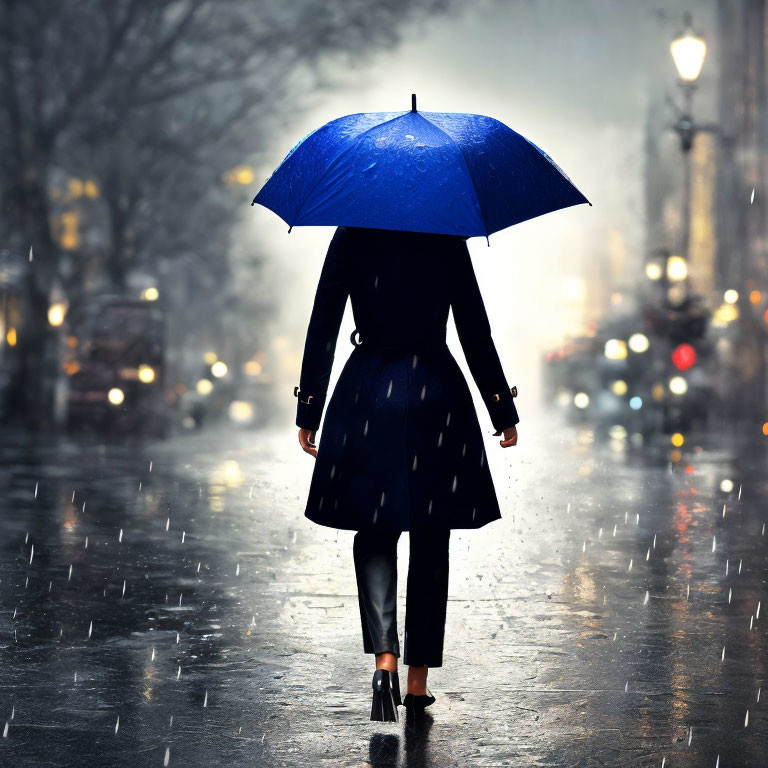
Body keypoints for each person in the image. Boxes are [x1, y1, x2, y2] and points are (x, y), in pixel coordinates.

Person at [294, 225, 519, 723]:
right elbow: (473, 327)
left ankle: (384, 661)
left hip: (367, 393)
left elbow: (324, 322)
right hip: (434, 394)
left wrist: (308, 408)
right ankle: (417, 683)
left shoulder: (352, 233)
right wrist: (501, 408)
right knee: (431, 535)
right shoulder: (444, 234)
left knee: (375, 529)